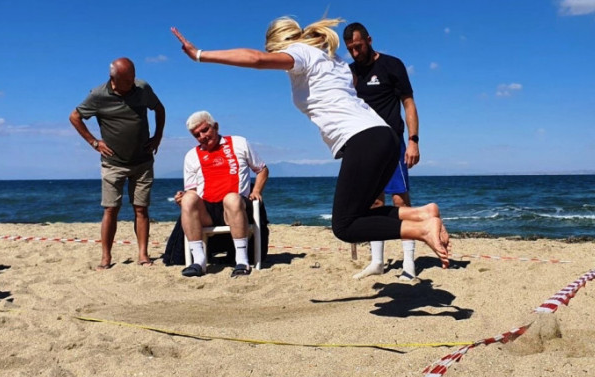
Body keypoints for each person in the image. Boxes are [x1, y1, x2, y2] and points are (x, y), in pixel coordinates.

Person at [170, 18, 449, 268]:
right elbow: (349, 85)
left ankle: (421, 230)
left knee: (344, 226)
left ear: (280, 44)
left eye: (274, 50)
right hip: (384, 135)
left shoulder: (300, 52)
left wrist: (200, 55)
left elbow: (255, 59)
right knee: (363, 211)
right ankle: (423, 213)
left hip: (364, 139)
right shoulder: (333, 59)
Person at [69, 57, 165, 270]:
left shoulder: (142, 88)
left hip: (142, 161)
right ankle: (106, 257)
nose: (132, 82)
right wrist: (94, 142)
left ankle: (143, 255)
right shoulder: (98, 95)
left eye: (133, 77)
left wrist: (158, 136)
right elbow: (75, 117)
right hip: (113, 163)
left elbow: (159, 109)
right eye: (127, 80)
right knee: (111, 209)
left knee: (141, 209)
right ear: (113, 78)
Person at [343, 22, 421, 281]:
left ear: (369, 39)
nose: (355, 53)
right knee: (373, 203)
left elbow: (408, 104)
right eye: (350, 49)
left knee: (400, 199)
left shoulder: (392, 65)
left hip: (392, 143)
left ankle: (409, 263)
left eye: (358, 46)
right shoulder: (351, 73)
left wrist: (413, 140)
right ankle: (377, 261)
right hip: (364, 145)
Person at [174, 111, 269, 277]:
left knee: (231, 198)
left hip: (236, 206)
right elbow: (192, 191)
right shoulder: (191, 155)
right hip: (208, 210)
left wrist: (256, 191)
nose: (202, 136)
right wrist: (183, 198)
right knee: (188, 198)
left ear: (215, 126)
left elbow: (262, 170)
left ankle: (242, 261)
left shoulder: (239, 143)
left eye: (205, 130)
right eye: (197, 135)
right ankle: (199, 261)